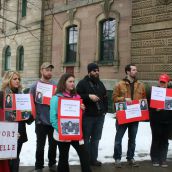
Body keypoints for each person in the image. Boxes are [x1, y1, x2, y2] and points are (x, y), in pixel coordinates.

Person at [50, 73, 92, 172]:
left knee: (84, 154)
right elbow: (53, 118)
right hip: (63, 132)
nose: (73, 84)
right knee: (63, 157)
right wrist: (61, 130)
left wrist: (82, 109)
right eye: (70, 81)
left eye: (73, 81)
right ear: (63, 83)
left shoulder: (77, 97)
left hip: (76, 132)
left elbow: (78, 116)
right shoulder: (56, 98)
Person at [112, 64, 146, 168]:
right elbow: (114, 98)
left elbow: (144, 100)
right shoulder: (119, 84)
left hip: (135, 116)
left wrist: (143, 106)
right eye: (133, 70)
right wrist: (123, 99)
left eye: (136, 70)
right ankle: (117, 158)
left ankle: (130, 158)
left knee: (132, 139)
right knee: (119, 138)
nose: (136, 71)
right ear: (127, 71)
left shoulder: (141, 85)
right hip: (123, 115)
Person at [0, 71, 34, 172]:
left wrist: (30, 113)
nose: (18, 81)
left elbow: (28, 120)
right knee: (6, 159)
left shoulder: (23, 96)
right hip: (6, 132)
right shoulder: (2, 95)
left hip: (20, 131)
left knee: (15, 158)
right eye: (15, 79)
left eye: (19, 79)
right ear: (8, 80)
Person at [76, 63, 108, 166]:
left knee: (96, 139)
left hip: (99, 116)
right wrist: (88, 96)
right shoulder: (82, 83)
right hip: (88, 116)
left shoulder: (100, 83)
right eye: (94, 71)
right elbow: (77, 96)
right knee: (86, 139)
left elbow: (105, 97)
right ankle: (86, 159)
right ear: (89, 72)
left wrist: (105, 110)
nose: (96, 72)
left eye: (97, 70)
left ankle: (94, 159)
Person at [30, 62, 57, 172]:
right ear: (41, 71)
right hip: (41, 121)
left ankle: (52, 163)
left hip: (53, 121)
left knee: (53, 145)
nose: (49, 72)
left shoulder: (55, 85)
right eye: (47, 70)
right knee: (40, 146)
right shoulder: (35, 86)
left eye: (50, 70)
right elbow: (30, 103)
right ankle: (38, 166)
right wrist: (36, 117)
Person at [149, 74, 172, 168]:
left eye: (164, 82)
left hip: (168, 120)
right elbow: (148, 107)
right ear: (159, 82)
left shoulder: (170, 92)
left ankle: (163, 158)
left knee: (165, 140)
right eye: (161, 82)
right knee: (156, 139)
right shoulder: (154, 92)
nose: (162, 83)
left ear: (167, 82)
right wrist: (155, 109)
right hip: (156, 121)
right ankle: (154, 157)